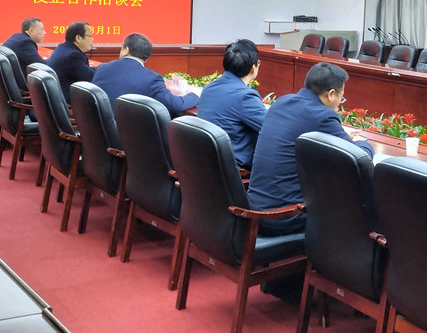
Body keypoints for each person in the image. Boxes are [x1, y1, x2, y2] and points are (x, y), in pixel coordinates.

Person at [247, 61, 374, 236]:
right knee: (354, 205)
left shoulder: (281, 102)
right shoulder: (323, 115)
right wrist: (363, 142)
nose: (340, 102)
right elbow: (359, 159)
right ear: (331, 94)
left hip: (254, 210)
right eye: (341, 97)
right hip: (283, 217)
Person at [197, 39, 267, 169]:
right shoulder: (245, 96)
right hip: (232, 168)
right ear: (253, 68)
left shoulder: (209, 87)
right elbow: (271, 127)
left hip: (206, 163)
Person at [91, 32, 199, 115]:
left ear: (126, 50)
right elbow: (175, 105)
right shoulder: (151, 79)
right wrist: (194, 96)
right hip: (128, 135)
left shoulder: (102, 68)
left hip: (96, 132)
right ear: (146, 58)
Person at [0, 17, 46, 99]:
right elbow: (41, 66)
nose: (44, 33)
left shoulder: (17, 38)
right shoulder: (25, 43)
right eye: (42, 29)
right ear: (31, 31)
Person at [46, 21, 96, 103]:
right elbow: (92, 78)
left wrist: (102, 68)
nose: (92, 39)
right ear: (78, 38)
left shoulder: (62, 49)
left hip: (56, 97)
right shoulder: (73, 56)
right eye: (90, 36)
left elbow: (85, 70)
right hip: (68, 102)